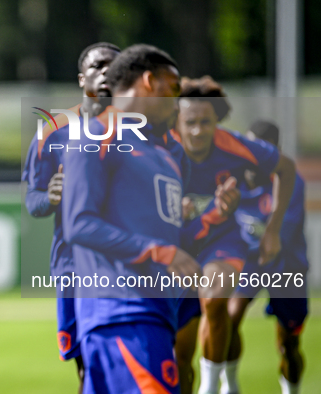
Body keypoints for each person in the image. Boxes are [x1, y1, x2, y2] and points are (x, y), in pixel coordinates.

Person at [61, 44, 202, 394]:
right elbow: (78, 223)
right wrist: (160, 252)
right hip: (122, 314)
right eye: (173, 88)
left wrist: (212, 218)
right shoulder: (96, 136)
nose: (177, 100)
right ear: (149, 81)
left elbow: (165, 236)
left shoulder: (165, 154)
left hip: (155, 315)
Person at [171, 77, 296, 394]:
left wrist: (273, 230)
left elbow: (286, 168)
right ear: (176, 121)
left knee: (215, 299)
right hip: (175, 246)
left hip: (220, 241)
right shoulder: (159, 147)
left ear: (218, 121)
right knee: (179, 354)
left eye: (206, 122)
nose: (198, 130)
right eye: (190, 122)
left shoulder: (235, 144)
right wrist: (170, 208)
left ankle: (213, 388)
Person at [23, 41, 120, 391]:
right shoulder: (53, 129)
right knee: (87, 368)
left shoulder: (145, 129)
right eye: (97, 66)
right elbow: (32, 200)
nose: (106, 72)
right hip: (74, 263)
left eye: (115, 66)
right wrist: (49, 197)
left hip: (132, 262)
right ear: (82, 79)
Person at [221, 120, 308, 394]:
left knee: (288, 344)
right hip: (248, 264)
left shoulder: (290, 183)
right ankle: (229, 385)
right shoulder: (230, 179)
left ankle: (291, 389)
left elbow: (280, 237)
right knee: (228, 319)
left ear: (277, 151)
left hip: (286, 266)